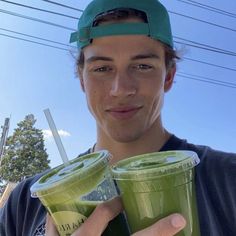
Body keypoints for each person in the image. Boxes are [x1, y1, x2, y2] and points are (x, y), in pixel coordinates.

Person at [1, 0, 236, 235]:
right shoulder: (24, 203)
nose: (120, 89)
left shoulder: (228, 180)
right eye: (102, 68)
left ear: (169, 76)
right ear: (82, 79)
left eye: (142, 66)